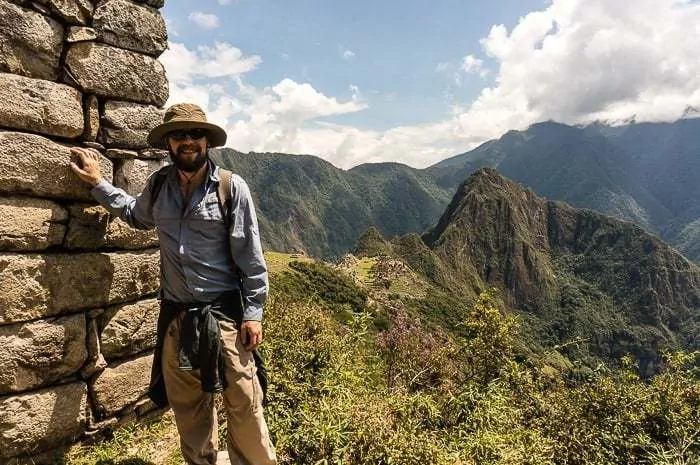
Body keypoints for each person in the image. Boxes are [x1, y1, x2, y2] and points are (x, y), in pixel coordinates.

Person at [70, 103, 277, 465]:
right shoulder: (160, 185)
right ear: (168, 143)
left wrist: (254, 314)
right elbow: (136, 215)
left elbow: (252, 260)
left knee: (244, 402)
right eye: (179, 135)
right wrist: (97, 184)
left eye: (195, 134)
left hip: (224, 316)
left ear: (206, 141)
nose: (188, 141)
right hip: (178, 318)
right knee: (190, 409)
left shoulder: (231, 188)